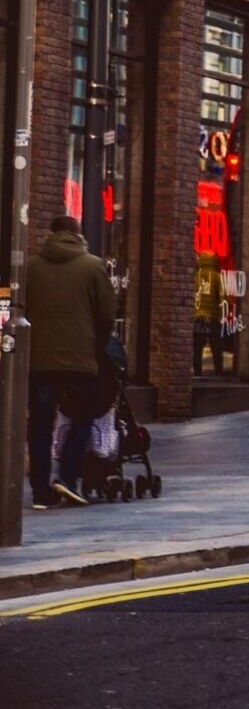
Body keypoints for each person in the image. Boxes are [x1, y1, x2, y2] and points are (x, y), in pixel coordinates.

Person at [24, 215, 117, 508]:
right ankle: (65, 477)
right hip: (80, 360)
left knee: (40, 425)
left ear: (50, 234)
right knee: (82, 418)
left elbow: (18, 306)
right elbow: (106, 315)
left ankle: (40, 491)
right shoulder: (92, 266)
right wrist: (96, 346)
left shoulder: (30, 267)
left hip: (39, 360)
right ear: (78, 235)